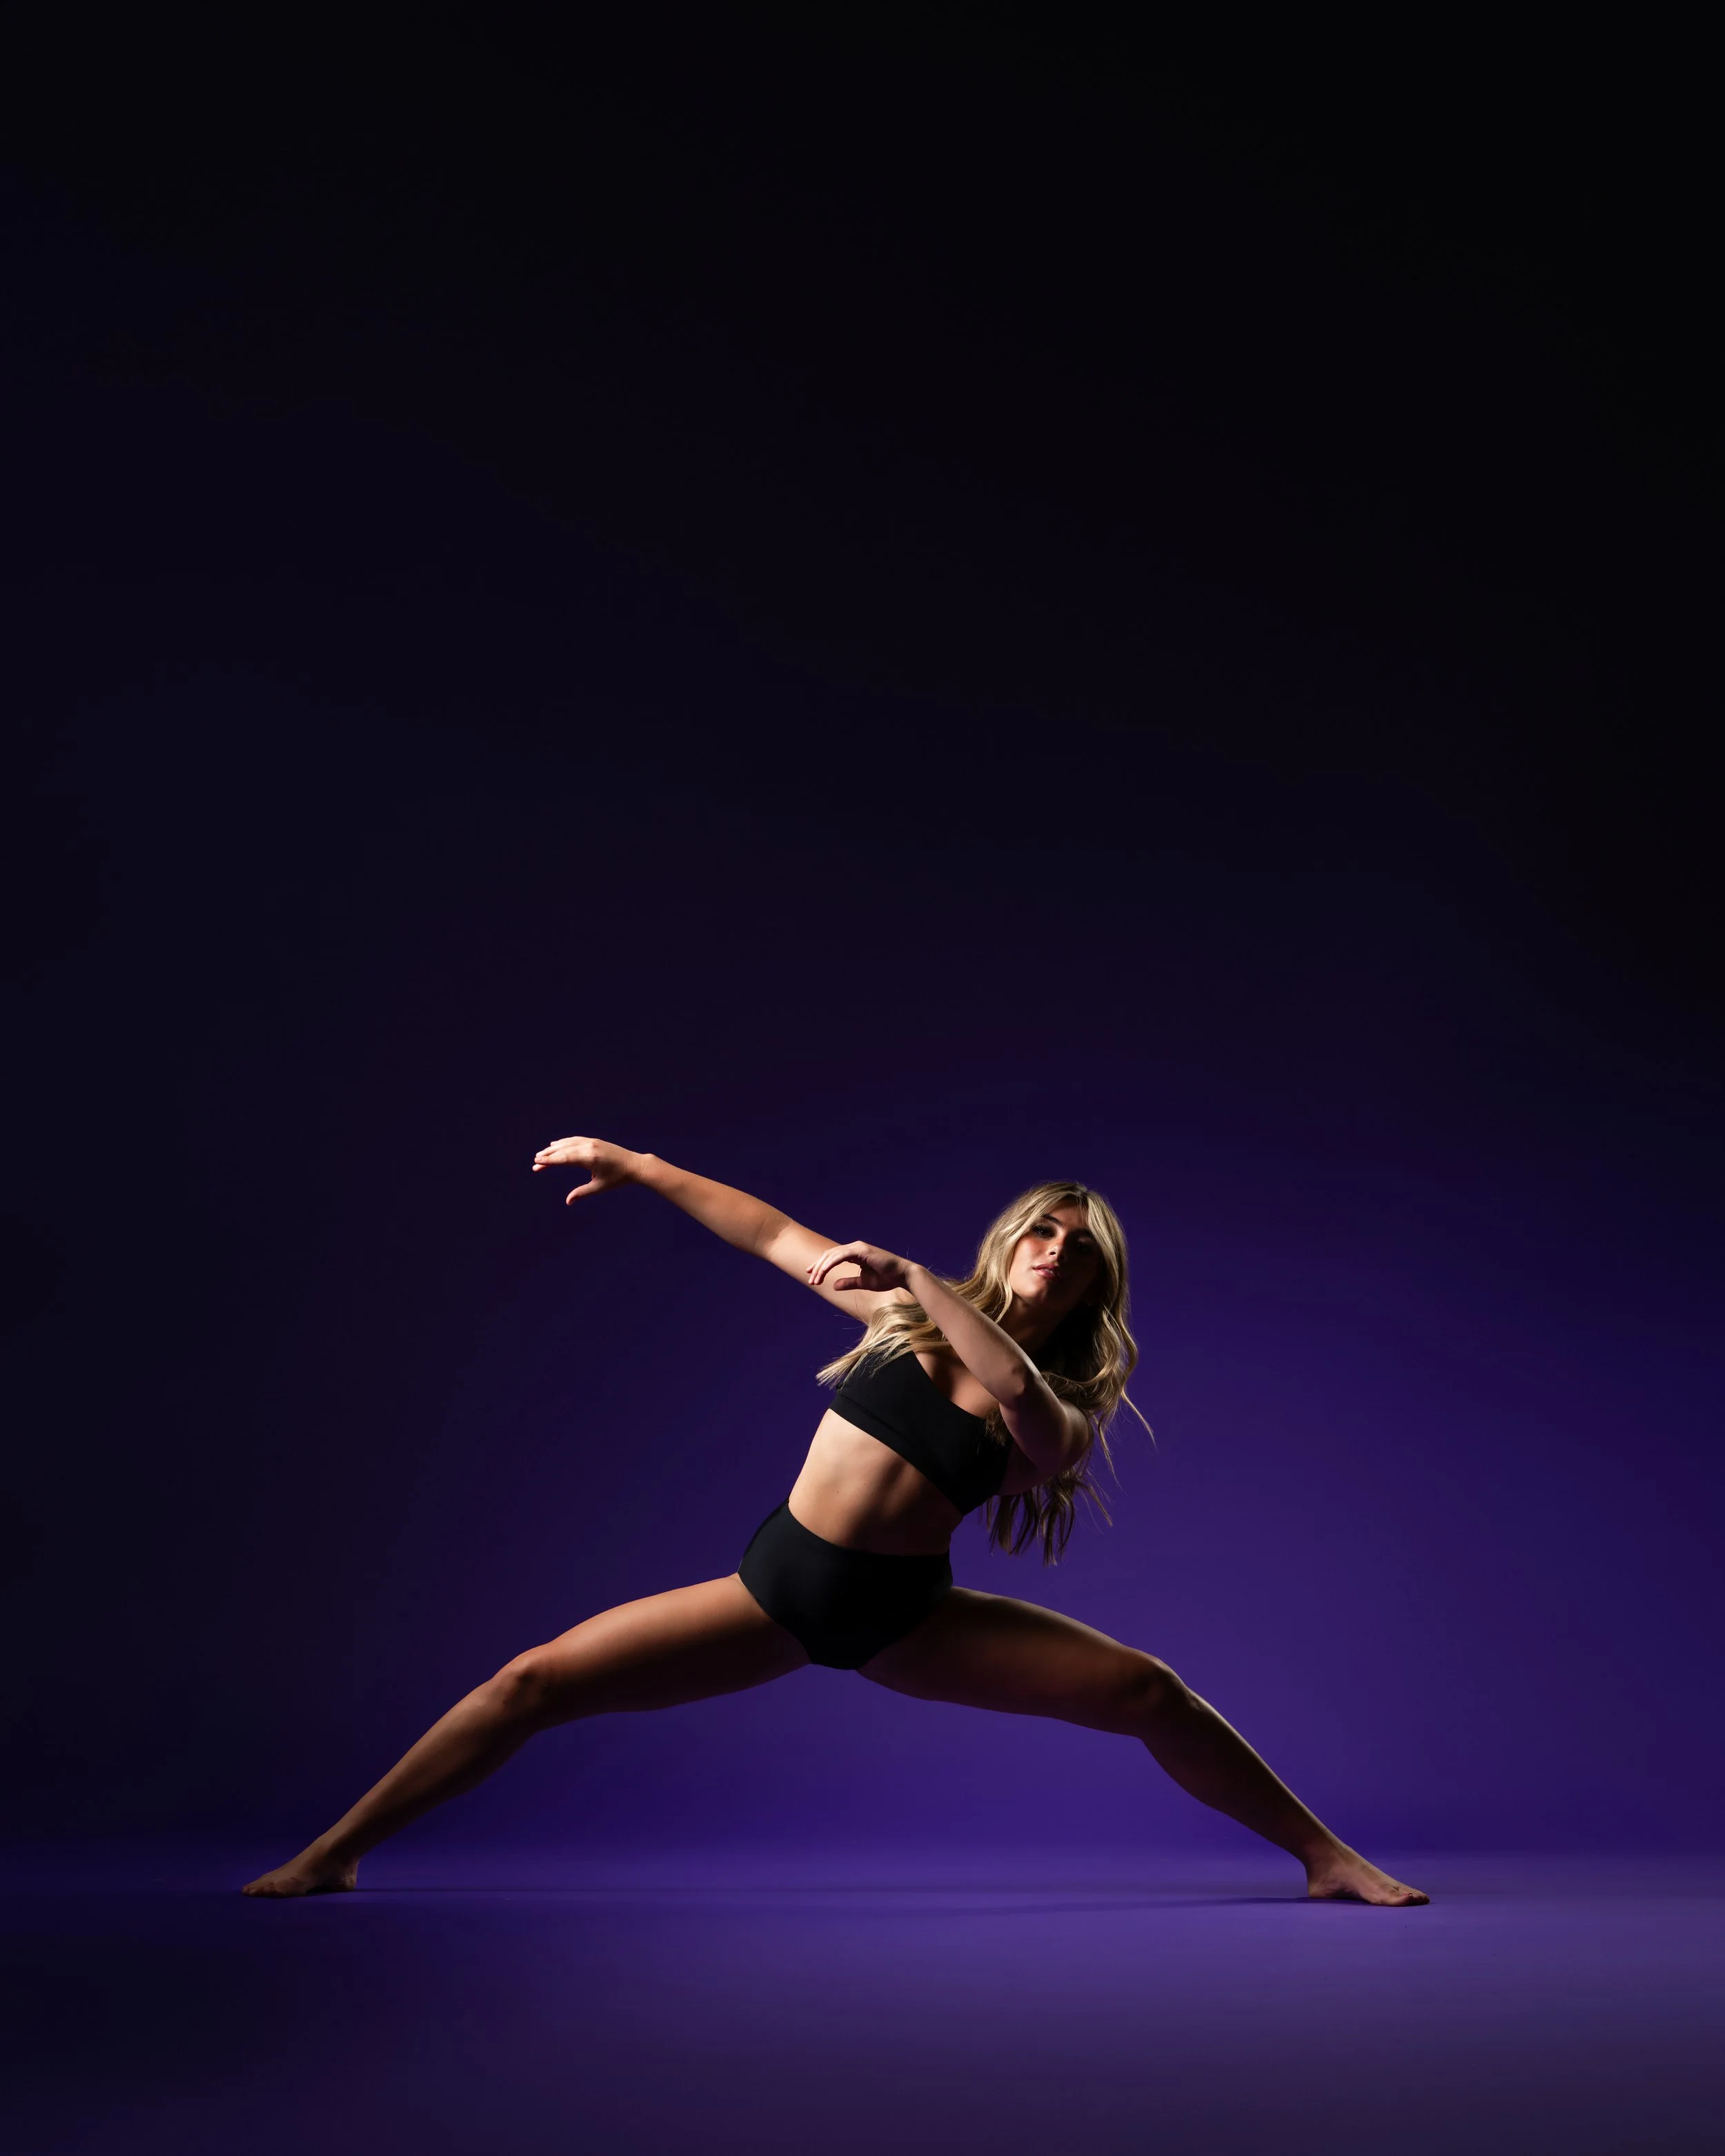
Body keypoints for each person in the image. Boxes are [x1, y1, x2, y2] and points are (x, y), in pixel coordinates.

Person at [244, 1140, 1428, 1905]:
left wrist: (918, 1279)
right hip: (775, 1593)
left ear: (1092, 1288)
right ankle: (334, 1853)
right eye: (1042, 1229)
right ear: (1011, 1239)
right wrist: (641, 1167)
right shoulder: (897, 1318)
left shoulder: (1055, 1402)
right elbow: (768, 1232)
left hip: (907, 1621)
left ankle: (1325, 1857)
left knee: (1149, 1691)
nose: (1055, 1249)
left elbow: (1019, 1396)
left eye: (1079, 1250)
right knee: (532, 1681)